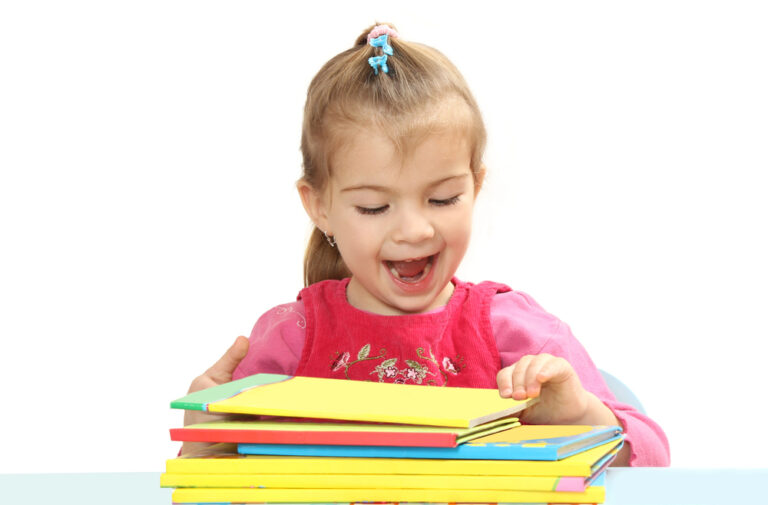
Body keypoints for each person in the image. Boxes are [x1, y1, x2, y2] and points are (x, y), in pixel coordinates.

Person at [183, 23, 670, 467]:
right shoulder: (288, 342)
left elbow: (651, 457)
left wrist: (580, 414)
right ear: (318, 206)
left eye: (442, 198)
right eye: (374, 207)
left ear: (475, 187)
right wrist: (204, 445)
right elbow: (216, 487)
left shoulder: (515, 333)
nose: (414, 230)